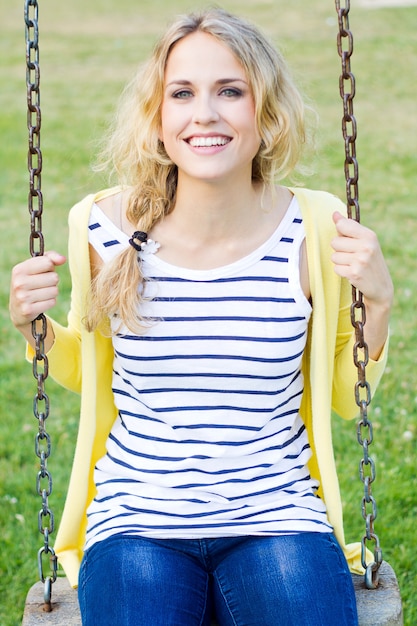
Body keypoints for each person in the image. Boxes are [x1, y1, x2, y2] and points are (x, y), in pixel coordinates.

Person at [10, 8, 393, 626]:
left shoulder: (315, 228)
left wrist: (376, 302)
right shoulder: (103, 227)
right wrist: (35, 328)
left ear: (266, 116)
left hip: (277, 517)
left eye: (230, 92)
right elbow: (92, 368)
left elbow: (350, 399)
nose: (205, 114)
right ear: (158, 118)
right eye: (182, 93)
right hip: (136, 521)